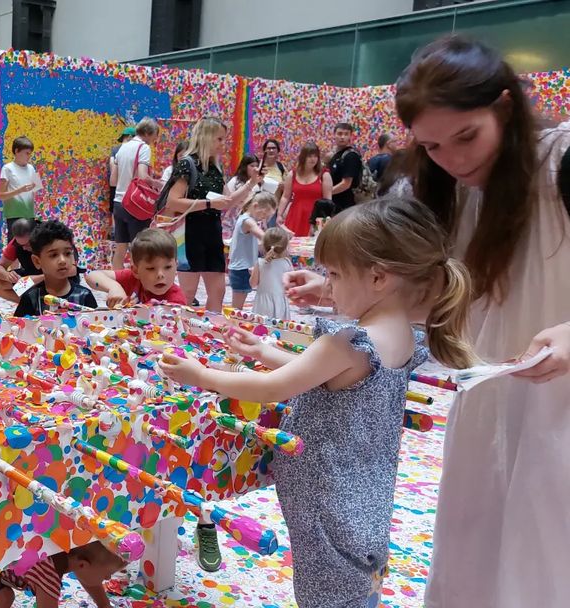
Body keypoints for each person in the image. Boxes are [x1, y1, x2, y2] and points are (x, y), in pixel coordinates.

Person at [163, 197, 477, 607]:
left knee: (324, 595)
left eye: (334, 274)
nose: (327, 285)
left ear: (379, 278)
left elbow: (277, 387)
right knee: (355, 587)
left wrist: (201, 376)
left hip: (325, 498)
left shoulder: (348, 342)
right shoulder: (398, 334)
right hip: (361, 495)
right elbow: (320, 373)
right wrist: (262, 350)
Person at [392, 36, 569, 607]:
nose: (455, 159)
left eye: (467, 136)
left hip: (559, 406)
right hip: (494, 396)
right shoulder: (450, 191)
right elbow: (454, 297)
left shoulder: (561, 163)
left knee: (547, 552)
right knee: (479, 551)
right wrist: (360, 292)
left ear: (505, 107)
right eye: (434, 146)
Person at [162, 117, 263, 311]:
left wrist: (252, 183)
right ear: (206, 137)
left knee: (217, 292)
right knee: (188, 294)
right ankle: (184, 333)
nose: (223, 145)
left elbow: (228, 201)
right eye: (219, 139)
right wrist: (209, 203)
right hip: (189, 234)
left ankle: (211, 332)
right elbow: (173, 201)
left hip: (212, 234)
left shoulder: (215, 168)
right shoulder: (187, 164)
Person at [0, 541, 127, 608]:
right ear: (82, 565)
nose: (108, 578)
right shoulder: (49, 573)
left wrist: (104, 604)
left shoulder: (67, 553)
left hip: (3, 560)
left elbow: (89, 580)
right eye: (108, 574)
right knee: (5, 597)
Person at [14, 220, 97, 317]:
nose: (62, 260)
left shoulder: (84, 296)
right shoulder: (31, 299)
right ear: (37, 261)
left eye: (67, 253)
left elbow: (98, 328)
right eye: (53, 255)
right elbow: (18, 328)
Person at [85, 228, 187, 306]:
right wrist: (114, 287)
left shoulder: (176, 301)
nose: (160, 275)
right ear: (136, 270)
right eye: (151, 268)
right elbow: (91, 275)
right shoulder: (132, 279)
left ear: (176, 268)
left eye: (168, 267)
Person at [111, 118, 162, 271]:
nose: (155, 140)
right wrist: (159, 184)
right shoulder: (144, 148)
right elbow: (142, 176)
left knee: (120, 248)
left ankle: (118, 281)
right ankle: (138, 283)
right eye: (155, 135)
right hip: (134, 203)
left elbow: (113, 180)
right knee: (139, 248)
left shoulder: (122, 148)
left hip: (118, 202)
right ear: (148, 133)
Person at [226, 192, 277, 311]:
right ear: (255, 206)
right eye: (264, 214)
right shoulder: (248, 221)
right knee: (237, 308)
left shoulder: (245, 218)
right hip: (241, 268)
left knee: (238, 306)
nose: (264, 218)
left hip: (244, 267)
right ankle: (232, 326)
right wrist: (277, 242)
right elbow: (262, 236)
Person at [279, 142, 333, 237]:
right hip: (296, 215)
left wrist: (322, 225)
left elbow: (328, 202)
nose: (313, 159)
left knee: (315, 247)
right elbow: (285, 196)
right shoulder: (293, 174)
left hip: (318, 217)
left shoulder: (324, 175)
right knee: (293, 246)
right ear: (303, 157)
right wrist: (279, 215)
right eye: (310, 156)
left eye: (315, 156)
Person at [223, 154, 279, 238]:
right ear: (245, 167)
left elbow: (273, 188)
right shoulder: (235, 181)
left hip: (255, 217)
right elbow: (228, 200)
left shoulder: (259, 182)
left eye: (257, 166)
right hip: (236, 217)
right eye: (252, 166)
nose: (255, 168)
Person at [0, 136, 42, 239]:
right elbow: (1, 196)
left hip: (30, 215)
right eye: (27, 153)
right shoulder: (7, 168)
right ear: (17, 151)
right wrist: (20, 190)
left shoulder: (31, 168)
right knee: (14, 248)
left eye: (30, 154)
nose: (29, 156)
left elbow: (37, 188)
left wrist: (36, 185)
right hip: (14, 216)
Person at [0, 218, 40, 304]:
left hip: (52, 279)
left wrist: (41, 278)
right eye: (21, 245)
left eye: (28, 244)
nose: (24, 248)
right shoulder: (16, 244)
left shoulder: (49, 239)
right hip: (31, 279)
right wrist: (7, 275)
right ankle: (33, 304)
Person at [250, 226, 292, 320]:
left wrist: (252, 273)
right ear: (285, 247)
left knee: (261, 330)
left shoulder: (260, 263)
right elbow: (291, 285)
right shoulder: (287, 263)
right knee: (280, 331)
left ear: (264, 245)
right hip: (280, 302)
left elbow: (252, 284)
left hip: (262, 304)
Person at [328, 122, 363, 214]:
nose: (342, 137)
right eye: (339, 134)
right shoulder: (336, 155)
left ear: (350, 136)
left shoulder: (351, 156)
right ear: (334, 135)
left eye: (346, 134)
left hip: (346, 205)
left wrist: (326, 193)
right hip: (335, 203)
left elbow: (346, 184)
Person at [108, 126, 136, 210]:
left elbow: (112, 165)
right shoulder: (136, 150)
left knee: (114, 211)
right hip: (130, 186)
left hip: (115, 185)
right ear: (130, 137)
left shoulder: (115, 149)